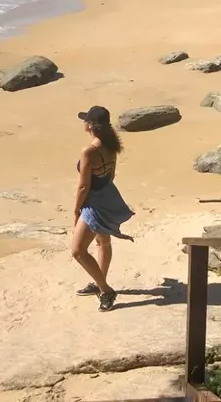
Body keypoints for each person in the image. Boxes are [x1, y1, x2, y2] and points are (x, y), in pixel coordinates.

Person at [72, 106, 134, 311]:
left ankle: (106, 290)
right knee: (103, 242)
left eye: (85, 121)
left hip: (93, 202)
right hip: (107, 196)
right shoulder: (111, 146)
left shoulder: (89, 151)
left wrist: (77, 210)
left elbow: (83, 186)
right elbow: (111, 175)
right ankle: (100, 282)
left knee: (78, 251)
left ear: (90, 126)